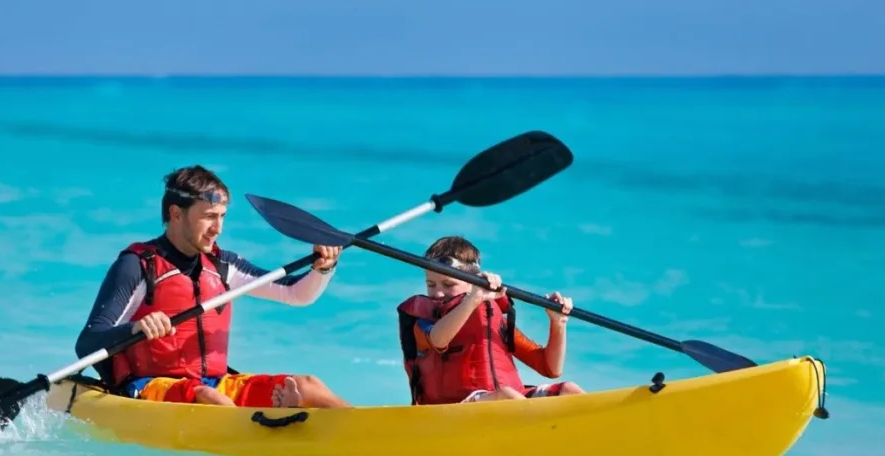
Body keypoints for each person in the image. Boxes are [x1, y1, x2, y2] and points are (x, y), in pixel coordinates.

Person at [74, 165, 351, 409]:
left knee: (307, 385)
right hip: (152, 387)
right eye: (209, 216)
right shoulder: (138, 266)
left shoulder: (222, 265)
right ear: (176, 214)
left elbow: (295, 293)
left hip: (216, 383)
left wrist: (323, 267)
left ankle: (367, 429)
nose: (217, 228)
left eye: (222, 216)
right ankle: (262, 424)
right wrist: (135, 328)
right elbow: (87, 342)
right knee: (211, 397)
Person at [396, 236, 586, 405]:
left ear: (471, 282)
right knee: (506, 396)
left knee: (569, 390)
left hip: (508, 401)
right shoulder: (423, 320)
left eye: (448, 284)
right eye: (431, 284)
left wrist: (558, 323)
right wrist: (473, 299)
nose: (438, 292)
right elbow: (438, 340)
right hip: (453, 408)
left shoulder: (493, 322)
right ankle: (537, 435)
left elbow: (550, 368)